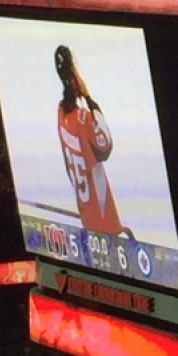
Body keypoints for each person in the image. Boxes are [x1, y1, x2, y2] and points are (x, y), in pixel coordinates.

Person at [55, 45, 125, 235]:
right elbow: (105, 147)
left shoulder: (61, 114)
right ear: (74, 80)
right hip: (104, 217)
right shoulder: (83, 118)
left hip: (86, 213)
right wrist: (88, 98)